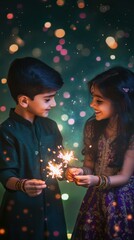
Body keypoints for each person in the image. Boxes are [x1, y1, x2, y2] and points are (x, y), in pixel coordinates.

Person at [0, 57, 67, 240]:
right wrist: (23, 185)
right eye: (48, 99)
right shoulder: (6, 131)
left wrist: (71, 172)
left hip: (53, 213)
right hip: (21, 217)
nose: (53, 104)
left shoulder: (51, 127)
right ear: (23, 101)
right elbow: (6, 175)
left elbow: (60, 166)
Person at [65, 66, 134, 240]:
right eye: (93, 98)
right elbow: (89, 165)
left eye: (99, 101)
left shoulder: (131, 132)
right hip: (94, 200)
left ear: (120, 102)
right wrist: (81, 172)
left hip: (122, 201)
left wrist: (96, 180)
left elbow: (124, 176)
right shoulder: (92, 127)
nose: (92, 104)